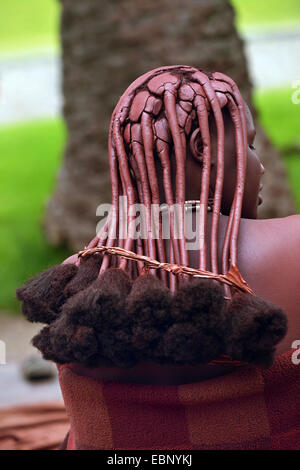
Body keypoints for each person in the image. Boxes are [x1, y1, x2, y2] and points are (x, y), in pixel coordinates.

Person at [17, 65, 300, 450]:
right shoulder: (294, 245)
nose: (260, 165)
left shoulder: (74, 280)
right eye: (249, 146)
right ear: (204, 149)